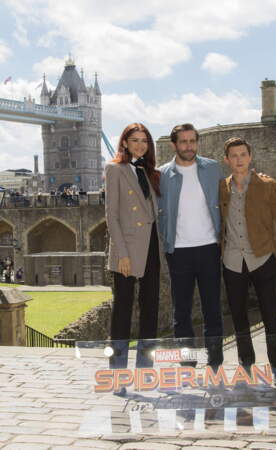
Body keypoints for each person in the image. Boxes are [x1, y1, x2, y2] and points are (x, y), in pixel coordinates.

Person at [219, 137, 276, 391]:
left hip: (263, 259)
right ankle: (246, 366)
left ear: (250, 157)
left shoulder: (268, 186)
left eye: (243, 154)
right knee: (239, 317)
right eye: (233, 156)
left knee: (271, 316)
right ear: (227, 160)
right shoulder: (222, 187)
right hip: (232, 261)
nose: (238, 160)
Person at [158, 123, 224, 370]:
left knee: (212, 308)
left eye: (192, 141)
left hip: (209, 247)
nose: (188, 146)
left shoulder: (212, 168)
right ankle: (187, 362)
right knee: (181, 312)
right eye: (183, 141)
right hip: (179, 251)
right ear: (174, 144)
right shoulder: (162, 174)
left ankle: (215, 362)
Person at [105, 123, 161, 392]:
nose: (139, 145)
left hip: (151, 247)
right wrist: (122, 254)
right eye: (134, 140)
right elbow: (111, 215)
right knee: (122, 313)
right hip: (126, 249)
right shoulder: (114, 169)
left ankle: (145, 372)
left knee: (150, 311)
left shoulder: (149, 172)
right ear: (124, 142)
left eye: (144, 141)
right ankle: (117, 375)